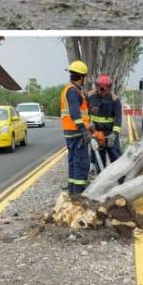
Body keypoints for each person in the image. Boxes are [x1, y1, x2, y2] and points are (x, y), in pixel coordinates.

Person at [61, 60, 92, 199]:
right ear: (81, 77)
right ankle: (78, 191)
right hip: (77, 131)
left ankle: (73, 188)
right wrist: (83, 130)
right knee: (82, 160)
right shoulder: (73, 92)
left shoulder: (68, 89)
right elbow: (75, 113)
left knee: (73, 159)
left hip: (70, 131)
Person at [87, 74, 122, 168]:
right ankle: (100, 179)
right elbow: (83, 112)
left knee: (117, 162)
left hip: (111, 136)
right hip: (97, 136)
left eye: (105, 90)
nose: (102, 93)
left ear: (109, 89)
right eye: (100, 90)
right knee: (99, 163)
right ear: (97, 88)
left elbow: (118, 120)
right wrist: (89, 123)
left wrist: (114, 135)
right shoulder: (90, 97)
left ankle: (122, 181)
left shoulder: (115, 101)